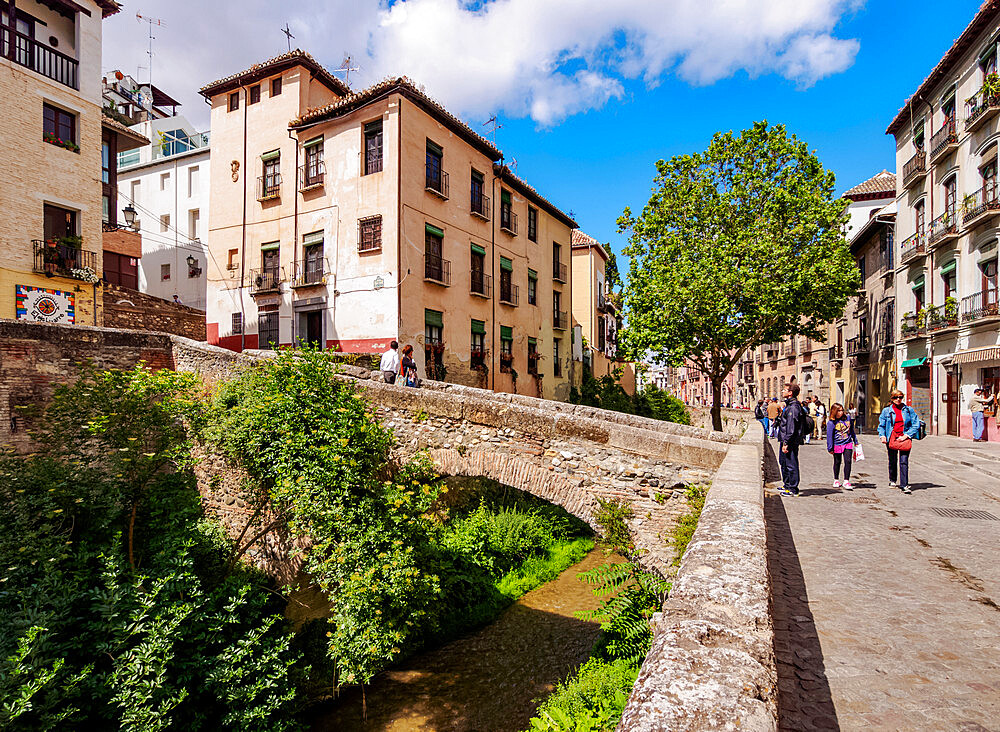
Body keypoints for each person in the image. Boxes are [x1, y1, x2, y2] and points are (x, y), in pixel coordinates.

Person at [878, 390, 921, 494]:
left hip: (904, 438)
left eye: (900, 397)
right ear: (892, 399)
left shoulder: (908, 410)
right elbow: (881, 425)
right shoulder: (886, 411)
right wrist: (882, 435)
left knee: (904, 461)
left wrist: (906, 435)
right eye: (896, 397)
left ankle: (904, 484)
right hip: (891, 437)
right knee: (892, 460)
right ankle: (892, 480)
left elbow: (916, 424)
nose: (898, 399)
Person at [776, 383, 806, 496]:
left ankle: (793, 489)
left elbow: (791, 427)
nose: (782, 391)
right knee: (783, 462)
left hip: (790, 441)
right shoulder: (789, 405)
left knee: (791, 464)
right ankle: (787, 485)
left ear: (790, 393)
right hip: (785, 439)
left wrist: (786, 442)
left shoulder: (793, 407)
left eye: (785, 390)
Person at [826, 403, 858, 490]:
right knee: (837, 462)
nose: (841, 412)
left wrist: (855, 441)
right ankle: (836, 479)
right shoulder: (831, 422)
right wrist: (830, 447)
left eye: (842, 410)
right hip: (837, 444)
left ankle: (846, 480)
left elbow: (851, 430)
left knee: (848, 461)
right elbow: (829, 436)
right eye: (839, 411)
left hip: (848, 443)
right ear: (834, 411)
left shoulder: (847, 418)